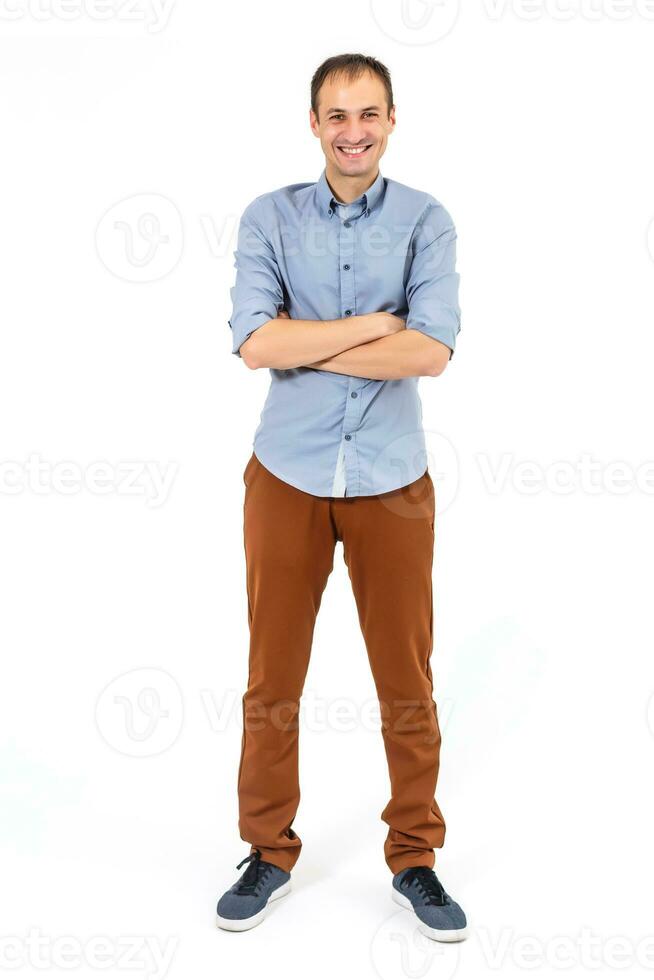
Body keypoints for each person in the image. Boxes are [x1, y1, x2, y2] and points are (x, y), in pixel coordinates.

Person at [216, 52, 467, 942]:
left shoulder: (425, 222)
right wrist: (372, 325)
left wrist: (305, 342)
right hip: (286, 474)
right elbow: (253, 343)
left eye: (368, 113)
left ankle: (416, 855)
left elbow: (432, 352)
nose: (352, 130)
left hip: (394, 483)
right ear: (314, 124)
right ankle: (268, 849)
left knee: (407, 677)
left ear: (392, 120)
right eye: (336, 114)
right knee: (271, 675)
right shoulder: (268, 218)